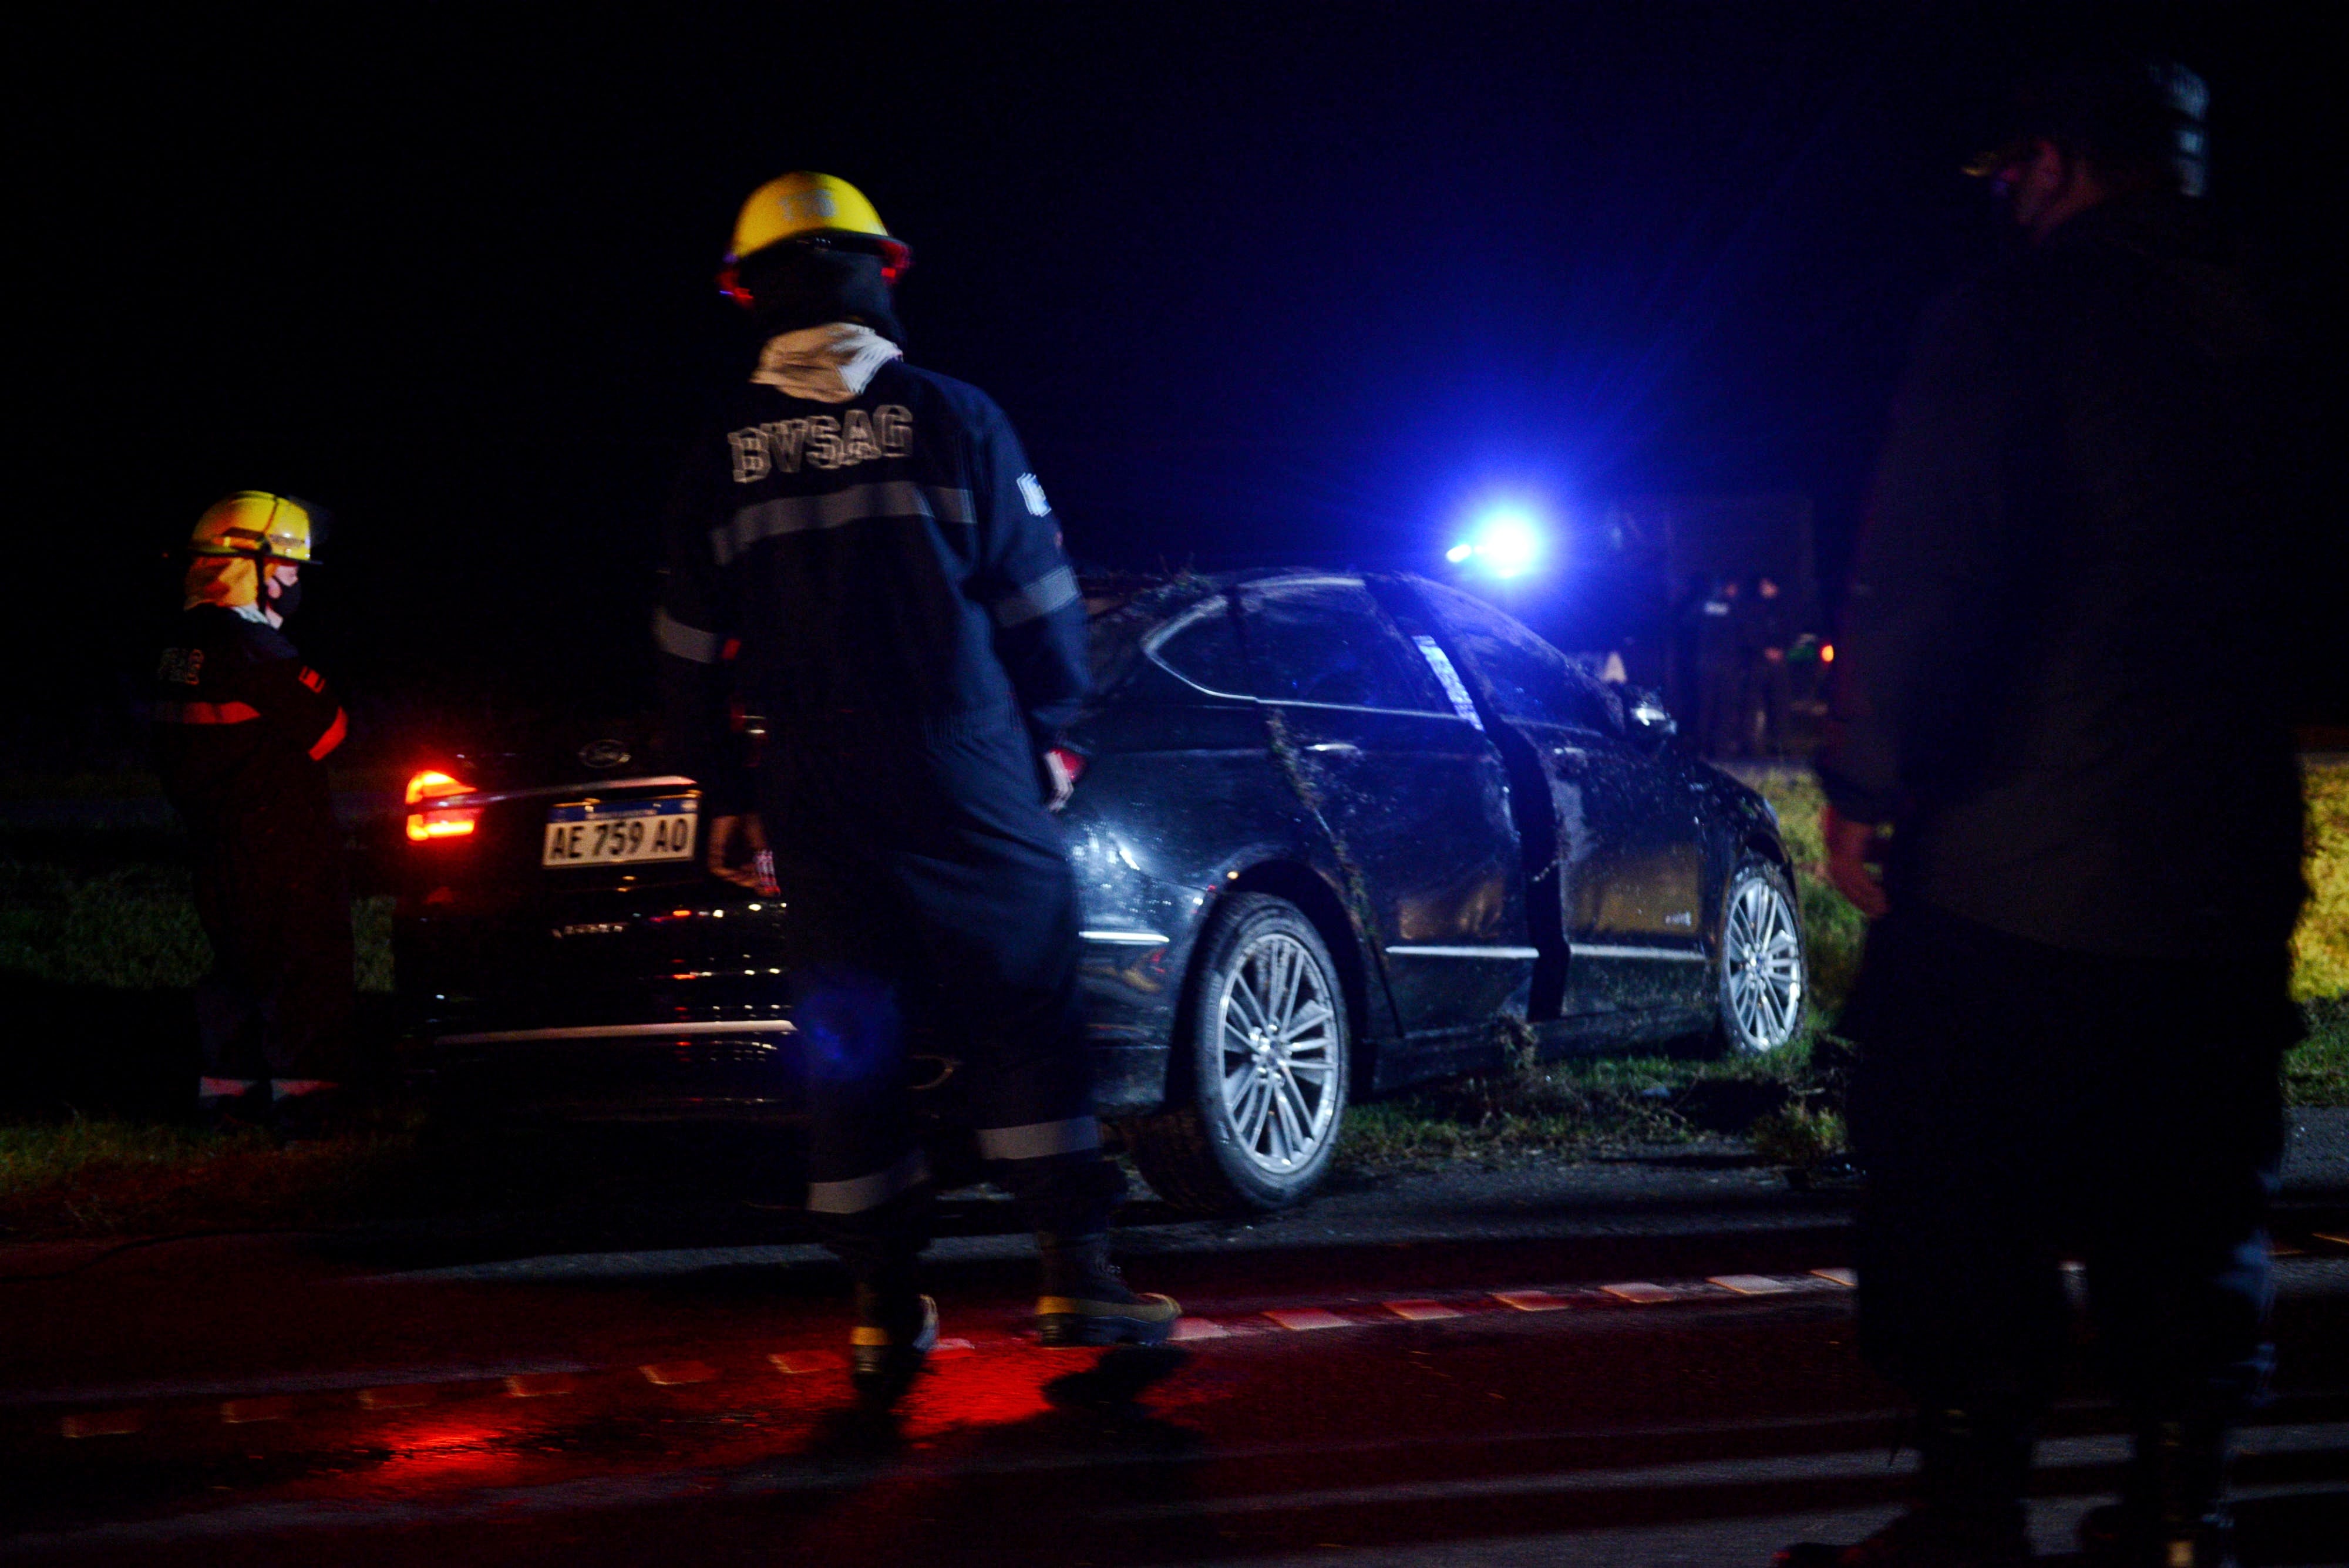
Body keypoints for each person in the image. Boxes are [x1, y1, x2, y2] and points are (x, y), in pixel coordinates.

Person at [1785, 60, 2307, 1568]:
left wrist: (1866, 786)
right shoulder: (2279, 331)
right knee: (2193, 1194)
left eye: (2010, 171)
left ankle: (1968, 1508)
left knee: (1962, 1188)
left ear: (2057, 166)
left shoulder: (2010, 319)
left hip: (2008, 864)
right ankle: (2175, 1508)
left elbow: (1927, 575)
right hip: (2218, 866)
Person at [655, 171, 1177, 1404]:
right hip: (963, 758)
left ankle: (883, 1309)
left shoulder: (717, 460)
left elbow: (682, 648)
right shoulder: (954, 418)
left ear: (750, 297)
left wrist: (724, 787)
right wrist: (1055, 730)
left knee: (850, 1030)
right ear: (878, 275)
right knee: (1021, 1001)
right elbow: (1040, 603)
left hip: (811, 779)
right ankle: (1074, 1276)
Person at [153, 492, 355, 1138]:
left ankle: (228, 1103)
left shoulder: (181, 648)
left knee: (234, 969)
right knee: (303, 965)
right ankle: (306, 1108)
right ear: (251, 564)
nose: (295, 579)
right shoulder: (255, 652)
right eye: (289, 565)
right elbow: (331, 732)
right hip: (279, 840)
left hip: (216, 840)